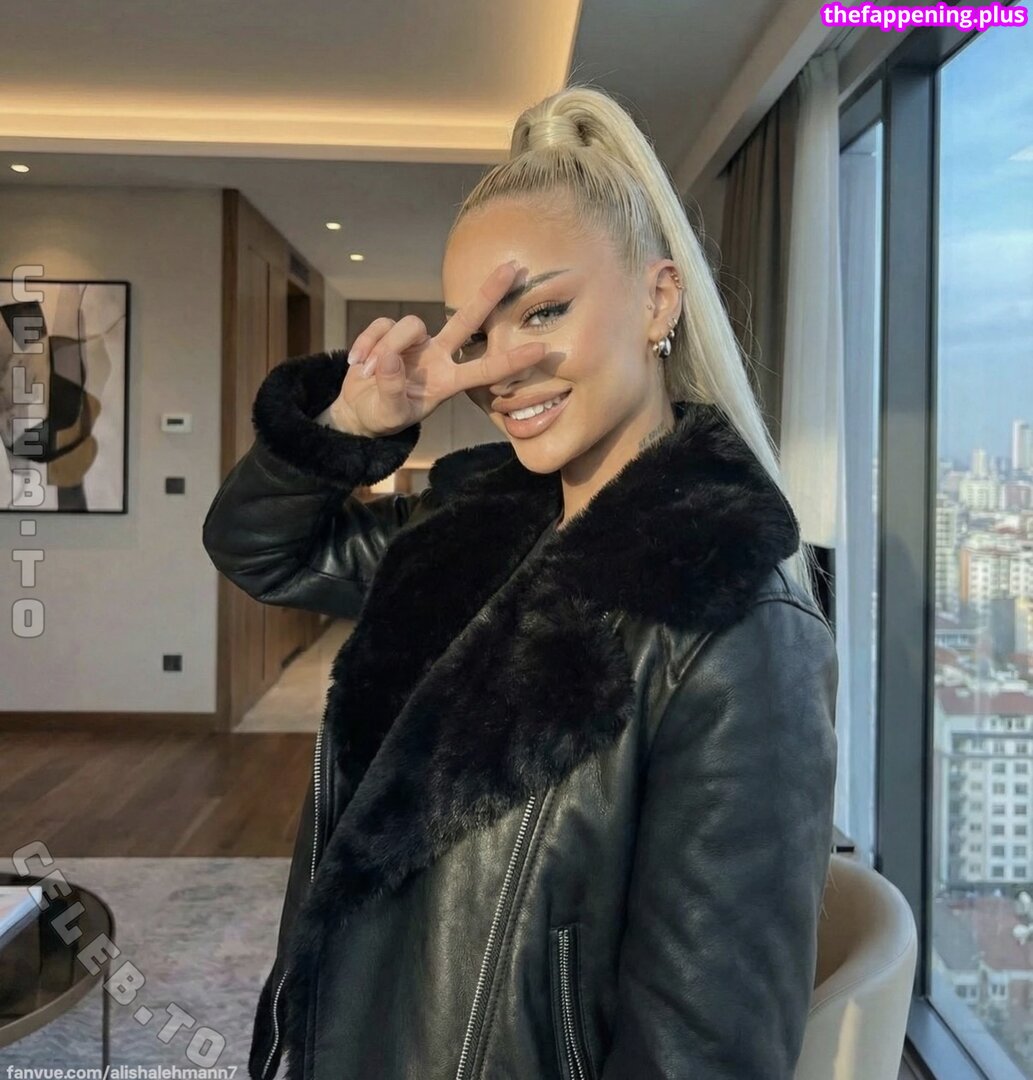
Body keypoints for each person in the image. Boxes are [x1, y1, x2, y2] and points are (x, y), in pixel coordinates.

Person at [202, 83, 838, 1080]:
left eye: (543, 310)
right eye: (478, 335)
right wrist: (350, 429)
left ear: (659, 299)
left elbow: (701, 1053)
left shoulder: (736, 624)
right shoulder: (464, 531)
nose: (501, 369)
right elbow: (262, 550)